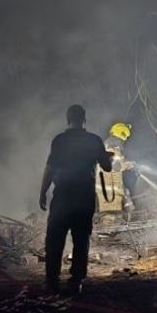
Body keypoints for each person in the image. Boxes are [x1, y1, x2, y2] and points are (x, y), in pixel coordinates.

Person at [39, 104, 113, 294]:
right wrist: (107, 156)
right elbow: (107, 167)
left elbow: (50, 168)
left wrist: (42, 192)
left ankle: (52, 281)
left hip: (62, 196)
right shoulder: (94, 140)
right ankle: (76, 282)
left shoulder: (60, 140)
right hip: (84, 197)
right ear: (84, 120)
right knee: (81, 240)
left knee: (54, 239)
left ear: (67, 120)